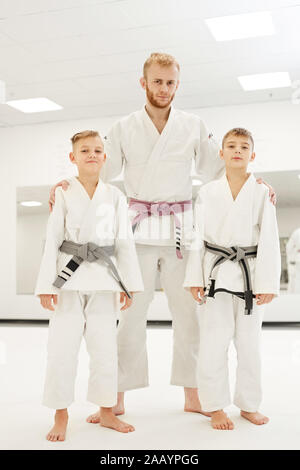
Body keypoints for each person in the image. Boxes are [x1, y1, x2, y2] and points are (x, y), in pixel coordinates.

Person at [49, 53, 276, 423]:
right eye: (157, 81)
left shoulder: (192, 124)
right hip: (137, 227)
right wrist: (67, 183)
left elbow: (223, 166)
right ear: (144, 83)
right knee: (130, 313)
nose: (164, 89)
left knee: (189, 313)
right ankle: (116, 396)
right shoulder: (124, 126)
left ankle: (193, 393)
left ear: (177, 85)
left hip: (181, 228)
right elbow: (97, 166)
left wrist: (256, 180)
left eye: (170, 82)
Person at [35, 130, 143, 441]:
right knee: (61, 351)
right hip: (68, 281)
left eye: (97, 150)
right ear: (73, 157)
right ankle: (60, 414)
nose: (92, 155)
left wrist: (129, 284)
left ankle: (107, 411)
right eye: (85, 151)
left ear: (105, 157)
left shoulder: (116, 196)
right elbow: (53, 239)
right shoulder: (64, 193)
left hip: (105, 281)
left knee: (105, 350)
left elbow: (124, 240)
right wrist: (46, 285)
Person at [184, 128, 281, 430]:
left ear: (252, 155)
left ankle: (249, 405)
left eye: (244, 146)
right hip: (215, 277)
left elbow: (269, 238)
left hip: (251, 278)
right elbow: (197, 236)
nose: (237, 150)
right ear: (221, 153)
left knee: (249, 345)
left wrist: (268, 284)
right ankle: (214, 406)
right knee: (213, 343)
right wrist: (194, 278)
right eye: (231, 146)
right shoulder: (208, 192)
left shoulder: (262, 192)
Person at [286, 228, 300, 293]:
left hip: (295, 260)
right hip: (295, 260)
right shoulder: (297, 233)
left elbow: (288, 248)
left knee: (294, 279)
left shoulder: (296, 232)